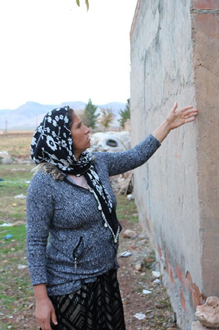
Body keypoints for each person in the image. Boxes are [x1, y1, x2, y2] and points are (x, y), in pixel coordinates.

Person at [27, 102, 198, 330]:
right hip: (69, 285)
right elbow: (35, 242)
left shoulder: (96, 164)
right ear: (63, 138)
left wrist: (167, 125)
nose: (87, 129)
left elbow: (135, 156)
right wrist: (41, 299)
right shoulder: (45, 183)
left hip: (105, 276)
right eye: (79, 126)